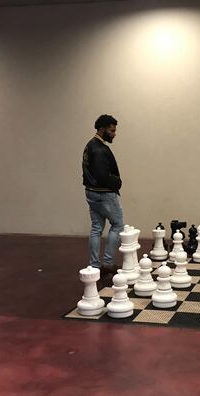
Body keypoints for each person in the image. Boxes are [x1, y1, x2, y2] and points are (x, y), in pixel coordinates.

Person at [82, 114, 124, 278]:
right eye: (112, 130)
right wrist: (117, 182)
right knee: (118, 225)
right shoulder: (99, 149)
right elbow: (102, 176)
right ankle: (107, 262)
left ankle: (93, 266)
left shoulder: (89, 146)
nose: (114, 134)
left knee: (96, 228)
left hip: (91, 192)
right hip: (104, 194)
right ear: (102, 129)